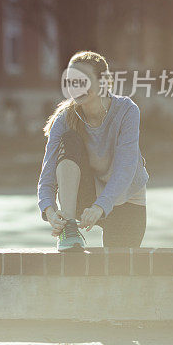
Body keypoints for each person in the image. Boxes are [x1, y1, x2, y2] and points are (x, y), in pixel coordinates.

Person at [37, 50, 149, 251]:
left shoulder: (127, 111)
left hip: (126, 198)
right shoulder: (64, 120)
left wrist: (100, 206)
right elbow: (47, 174)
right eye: (71, 81)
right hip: (86, 194)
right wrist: (50, 211)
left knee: (119, 269)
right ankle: (69, 228)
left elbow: (126, 168)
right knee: (70, 139)